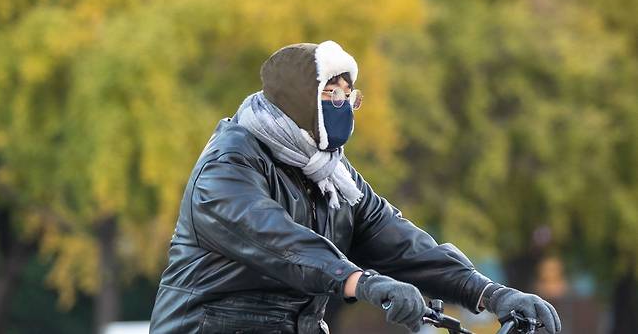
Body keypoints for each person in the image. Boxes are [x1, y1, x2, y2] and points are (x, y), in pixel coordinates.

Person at [149, 40, 561, 334]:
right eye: (331, 93)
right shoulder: (228, 165)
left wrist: (489, 294)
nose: (344, 105)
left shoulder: (332, 175)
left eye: (350, 95)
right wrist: (362, 282)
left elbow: (400, 243)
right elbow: (277, 240)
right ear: (298, 100)